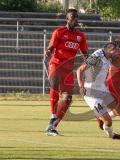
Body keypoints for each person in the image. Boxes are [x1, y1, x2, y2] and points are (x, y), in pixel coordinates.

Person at [44, 8, 88, 136]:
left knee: (68, 99)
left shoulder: (81, 36)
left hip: (68, 70)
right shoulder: (59, 32)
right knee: (55, 86)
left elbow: (85, 54)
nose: (76, 19)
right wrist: (47, 52)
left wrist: (92, 63)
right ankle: (53, 115)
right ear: (67, 18)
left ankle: (52, 127)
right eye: (73, 17)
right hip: (56, 65)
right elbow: (51, 48)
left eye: (77, 17)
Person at [76, 42, 120, 140]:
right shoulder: (96, 57)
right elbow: (80, 70)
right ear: (109, 50)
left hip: (102, 89)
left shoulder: (109, 57)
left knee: (119, 111)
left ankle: (99, 117)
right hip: (91, 92)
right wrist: (81, 86)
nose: (117, 53)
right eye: (115, 51)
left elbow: (118, 61)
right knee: (108, 121)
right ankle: (112, 135)